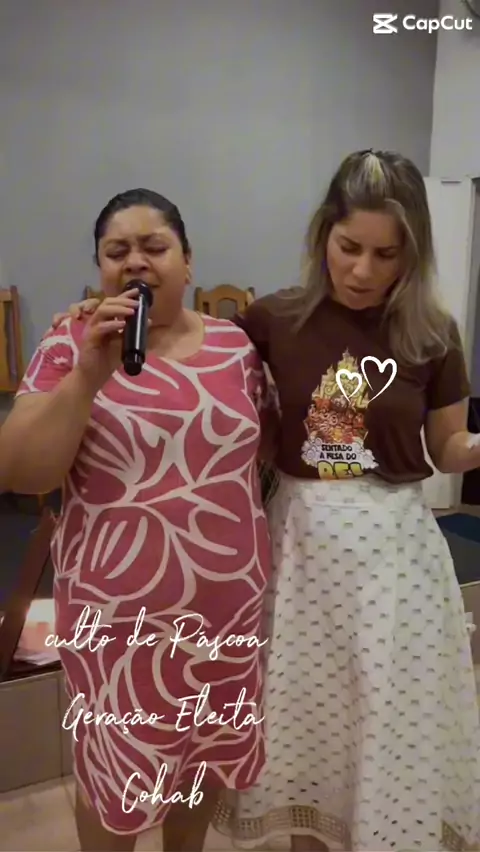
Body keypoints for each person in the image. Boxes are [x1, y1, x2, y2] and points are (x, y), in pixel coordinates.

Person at [49, 150, 480, 852]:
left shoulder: (434, 333)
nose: (362, 271)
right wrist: (94, 312)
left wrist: (475, 446)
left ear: (414, 253)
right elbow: (193, 358)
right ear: (323, 235)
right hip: (298, 547)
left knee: (384, 718)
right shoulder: (274, 319)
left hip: (394, 558)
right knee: (306, 725)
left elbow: (449, 447)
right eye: (349, 247)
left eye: (385, 255)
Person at [0, 188, 273, 852]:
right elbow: (22, 471)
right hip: (117, 622)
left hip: (225, 614)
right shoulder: (71, 341)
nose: (136, 261)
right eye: (116, 251)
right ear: (100, 266)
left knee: (203, 757)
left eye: (155, 246)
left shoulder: (238, 347)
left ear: (188, 260)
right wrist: (86, 377)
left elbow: (265, 454)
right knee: (114, 773)